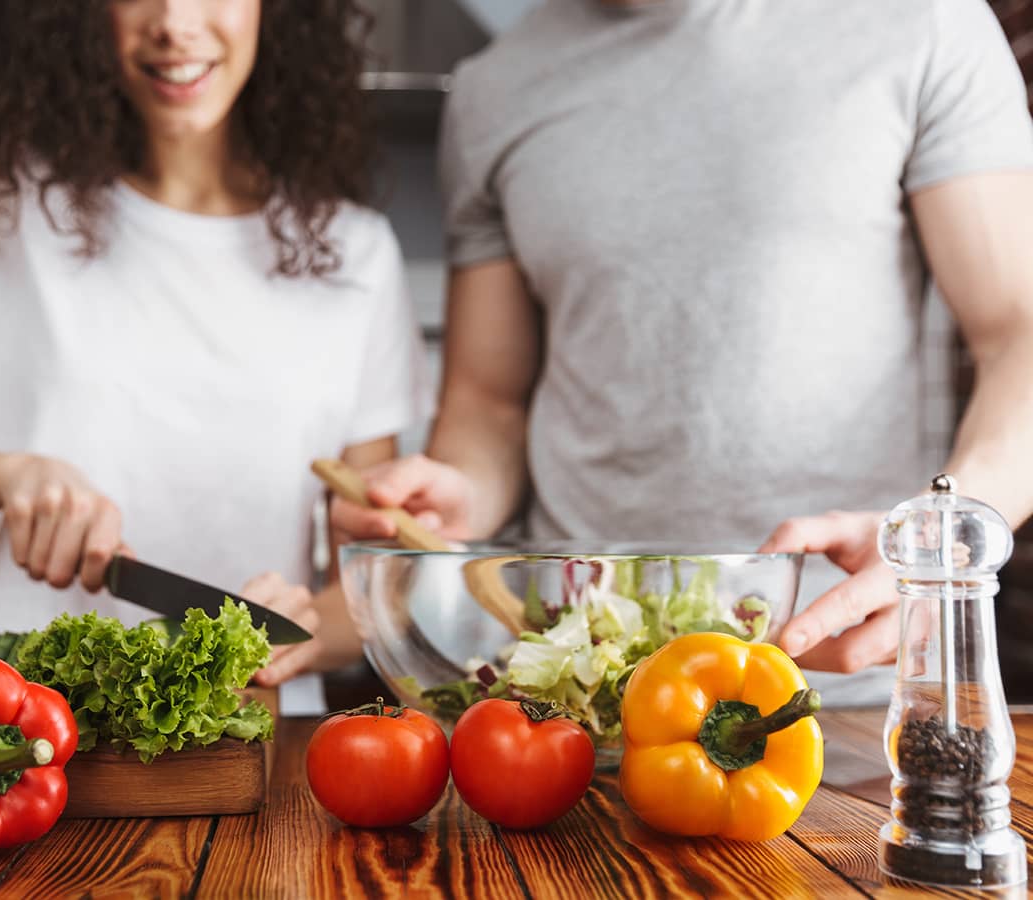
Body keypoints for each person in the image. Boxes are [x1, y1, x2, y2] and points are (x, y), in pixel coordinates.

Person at [317, 0, 1033, 705]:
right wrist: (460, 496)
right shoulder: (494, 88)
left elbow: (1019, 335)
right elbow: (489, 405)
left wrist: (940, 545)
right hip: (577, 695)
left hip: (843, 684)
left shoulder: (920, 22)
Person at [0, 0, 429, 713]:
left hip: (252, 752)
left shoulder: (354, 253)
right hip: (8, 742)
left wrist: (305, 633)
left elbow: (370, 586)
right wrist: (6, 476)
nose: (175, 22)